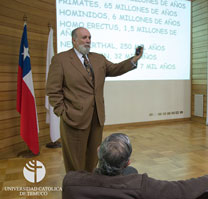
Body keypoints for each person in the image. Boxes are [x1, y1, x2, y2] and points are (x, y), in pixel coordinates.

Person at [46, 27, 143, 172]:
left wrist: (134, 59)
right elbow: (53, 90)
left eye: (89, 37)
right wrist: (63, 112)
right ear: (74, 40)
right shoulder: (61, 60)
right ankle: (76, 187)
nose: (88, 41)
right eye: (84, 37)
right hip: (73, 119)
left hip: (96, 118)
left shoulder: (98, 58)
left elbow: (115, 69)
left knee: (93, 158)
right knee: (75, 161)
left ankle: (90, 184)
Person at [62, 133, 208, 199]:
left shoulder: (70, 181)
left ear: (98, 152)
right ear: (127, 162)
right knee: (132, 173)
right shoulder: (140, 185)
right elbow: (179, 189)